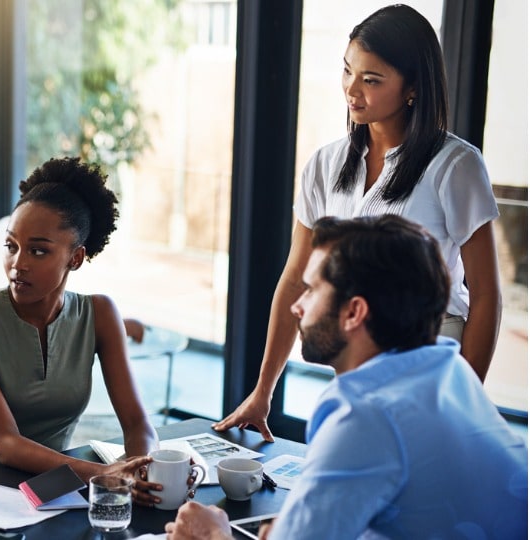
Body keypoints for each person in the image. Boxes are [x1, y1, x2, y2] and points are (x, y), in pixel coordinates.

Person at [215, 3, 502, 442]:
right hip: (354, 349)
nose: (352, 90)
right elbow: (295, 279)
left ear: (412, 89)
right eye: (348, 71)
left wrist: (461, 402)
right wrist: (262, 392)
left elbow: (484, 294)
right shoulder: (325, 165)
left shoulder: (455, 166)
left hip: (428, 357)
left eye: (371, 80)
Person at [166, 215, 528, 539]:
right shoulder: (450, 371)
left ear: (354, 312)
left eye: (312, 290)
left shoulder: (367, 413)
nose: (298, 305)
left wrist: (212, 537)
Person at [0, 157, 162, 504]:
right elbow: (5, 444)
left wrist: (142, 466)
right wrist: (105, 475)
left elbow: (137, 424)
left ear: (74, 259)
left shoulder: (100, 313)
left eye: (38, 251)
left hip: (54, 494)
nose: (18, 263)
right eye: (11, 246)